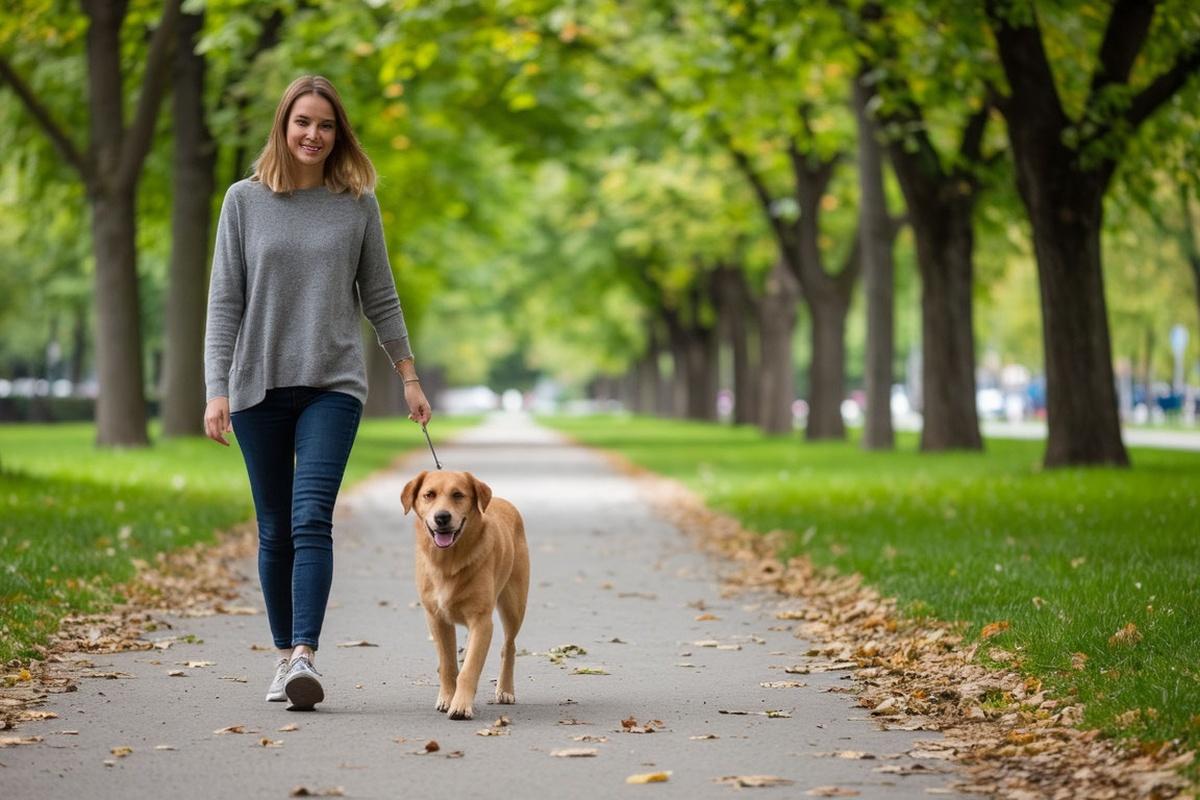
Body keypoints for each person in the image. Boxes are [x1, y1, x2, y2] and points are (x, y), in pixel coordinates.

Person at [203, 75, 431, 711]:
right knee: (274, 526)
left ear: (340, 135)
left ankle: (305, 654)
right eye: (302, 122)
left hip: (333, 384)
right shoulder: (242, 202)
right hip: (256, 387)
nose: (313, 134)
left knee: (311, 517)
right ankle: (282, 658)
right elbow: (225, 301)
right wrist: (215, 387)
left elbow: (380, 297)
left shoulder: (356, 203)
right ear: (283, 126)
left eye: (326, 125)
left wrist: (408, 375)